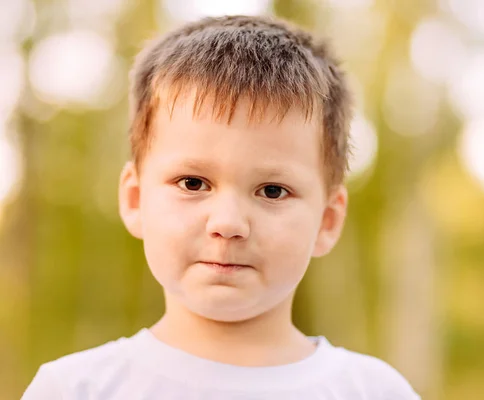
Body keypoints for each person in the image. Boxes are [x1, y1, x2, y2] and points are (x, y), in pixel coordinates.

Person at [22, 15, 420, 399]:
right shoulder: (75, 390)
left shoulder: (375, 392)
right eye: (193, 183)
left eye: (272, 191)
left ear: (327, 221)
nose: (228, 223)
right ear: (135, 199)